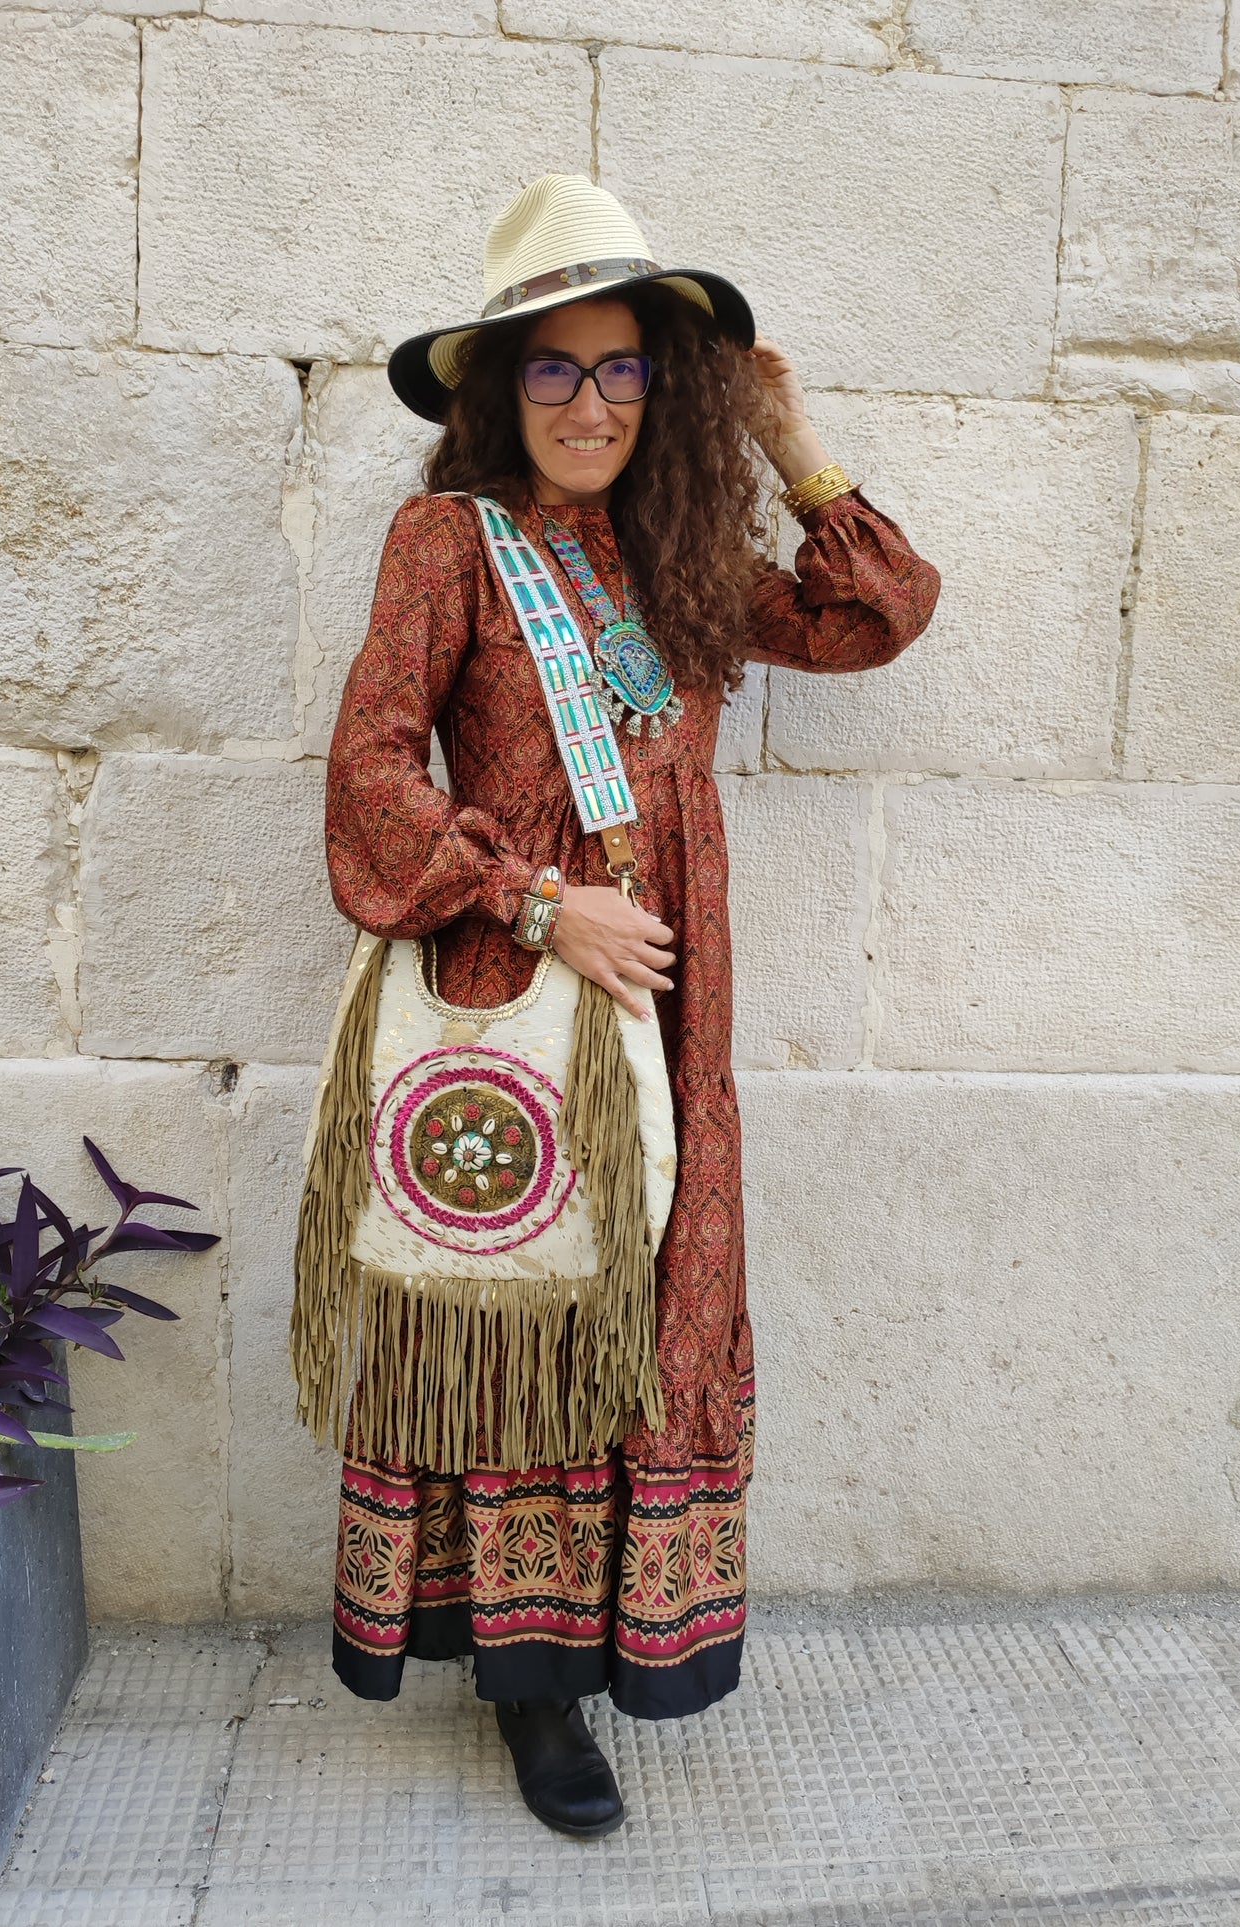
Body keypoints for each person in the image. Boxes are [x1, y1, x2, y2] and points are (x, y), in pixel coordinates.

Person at [318, 173, 941, 1837]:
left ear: (662, 390)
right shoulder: (448, 540)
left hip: (674, 1007)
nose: (588, 404)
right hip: (523, 992)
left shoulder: (673, 552)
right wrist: (536, 902)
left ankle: (614, 1636)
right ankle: (532, 1694)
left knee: (651, 1312)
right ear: (496, 387)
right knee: (535, 1311)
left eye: (623, 371)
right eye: (552, 369)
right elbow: (369, 774)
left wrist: (783, 429)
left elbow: (873, 611)